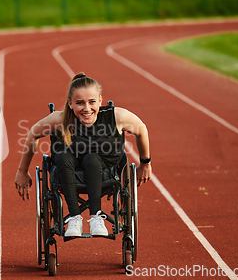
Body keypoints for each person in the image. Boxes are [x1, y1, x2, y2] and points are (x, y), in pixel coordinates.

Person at [14, 73, 152, 237]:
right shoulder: (60, 119)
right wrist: (22, 171)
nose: (87, 108)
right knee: (65, 156)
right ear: (70, 104)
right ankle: (74, 217)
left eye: (92, 102)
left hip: (105, 170)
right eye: (79, 103)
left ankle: (96, 216)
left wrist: (145, 163)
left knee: (92, 158)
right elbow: (33, 134)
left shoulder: (117, 117)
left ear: (100, 101)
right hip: (68, 167)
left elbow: (141, 129)